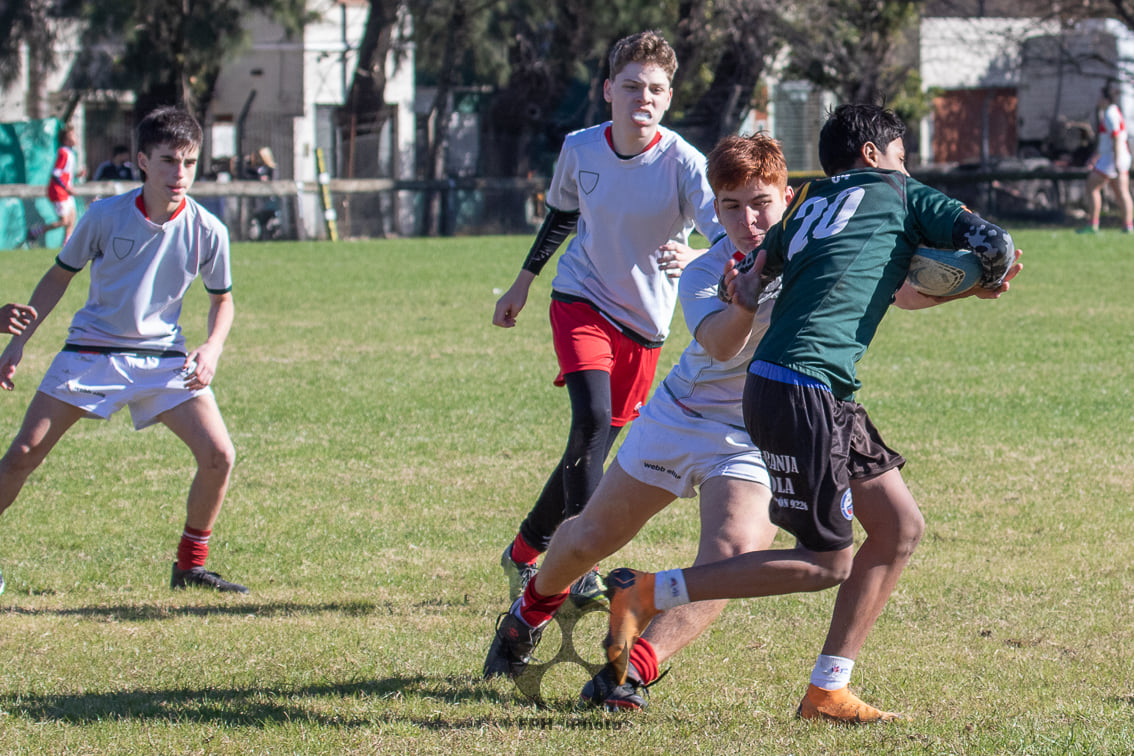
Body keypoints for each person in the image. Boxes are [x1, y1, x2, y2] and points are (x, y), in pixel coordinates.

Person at [603, 103, 1021, 723]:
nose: (906, 168)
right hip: (802, 388)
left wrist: (958, 283)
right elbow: (993, 241)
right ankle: (643, 592)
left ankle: (828, 689)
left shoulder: (808, 207)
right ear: (876, 155)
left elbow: (749, 280)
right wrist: (985, 273)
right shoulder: (896, 192)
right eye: (902, 156)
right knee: (826, 562)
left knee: (899, 527)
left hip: (810, 388)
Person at [484, 133, 790, 709]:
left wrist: (969, 276)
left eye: (761, 203)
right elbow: (723, 346)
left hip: (754, 433)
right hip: (681, 417)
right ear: (713, 209)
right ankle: (527, 614)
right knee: (591, 538)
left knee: (733, 558)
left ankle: (628, 672)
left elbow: (900, 285)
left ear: (786, 198)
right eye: (730, 206)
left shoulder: (815, 256)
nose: (747, 220)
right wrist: (745, 298)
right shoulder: (704, 269)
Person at [491, 30, 723, 605]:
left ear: (668, 99)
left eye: (655, 89)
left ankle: (524, 551)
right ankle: (581, 565)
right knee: (591, 420)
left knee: (591, 444)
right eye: (631, 86)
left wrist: (696, 254)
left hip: (645, 325)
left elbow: (729, 235)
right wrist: (524, 281)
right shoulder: (580, 148)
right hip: (580, 299)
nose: (642, 97)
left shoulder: (685, 164)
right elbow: (561, 216)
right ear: (607, 91)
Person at [0, 106, 247, 594]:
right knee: (23, 453)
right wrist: (18, 343)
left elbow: (223, 300)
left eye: (190, 163)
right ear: (141, 160)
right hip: (92, 351)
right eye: (168, 161)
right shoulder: (104, 215)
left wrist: (212, 347)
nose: (180, 174)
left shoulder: (208, 230)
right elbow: (57, 278)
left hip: (162, 360)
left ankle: (190, 568)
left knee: (220, 455)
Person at [1079, 79, 1133, 234]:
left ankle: (1093, 224)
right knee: (1121, 191)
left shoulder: (1109, 114)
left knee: (1092, 186)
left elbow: (1116, 138)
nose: (1097, 99)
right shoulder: (1114, 111)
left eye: (1099, 96)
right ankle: (1127, 226)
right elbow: (1107, 142)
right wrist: (1096, 157)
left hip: (1112, 160)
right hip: (1116, 158)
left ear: (1105, 99)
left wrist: (1115, 161)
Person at [26, 126, 84, 246]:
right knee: (64, 221)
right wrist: (67, 188)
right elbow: (56, 174)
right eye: (73, 135)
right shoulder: (63, 152)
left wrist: (77, 175)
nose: (75, 137)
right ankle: (33, 232)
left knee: (72, 218)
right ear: (66, 140)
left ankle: (67, 245)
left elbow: (65, 174)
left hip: (65, 191)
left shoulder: (70, 153)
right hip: (59, 192)